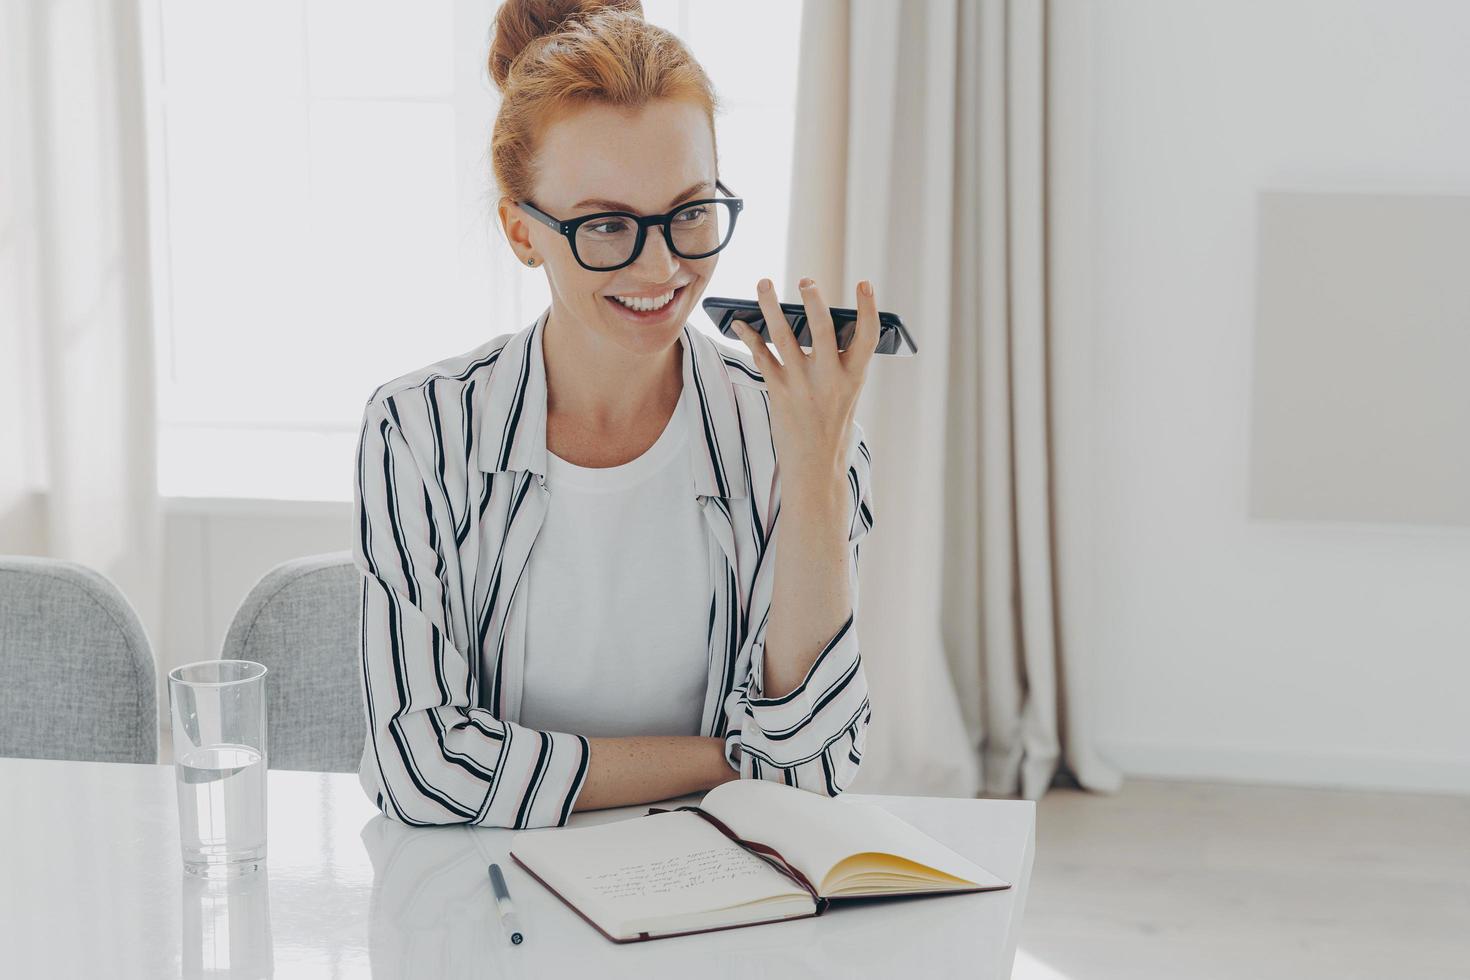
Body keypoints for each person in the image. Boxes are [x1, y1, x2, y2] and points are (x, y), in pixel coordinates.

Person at [353, 0, 879, 830]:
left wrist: (815, 468)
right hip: (494, 910)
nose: (663, 265)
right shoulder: (421, 433)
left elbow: (812, 768)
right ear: (522, 232)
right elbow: (423, 766)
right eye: (606, 225)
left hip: (724, 901)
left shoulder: (792, 434)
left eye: (692, 211)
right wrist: (725, 761)